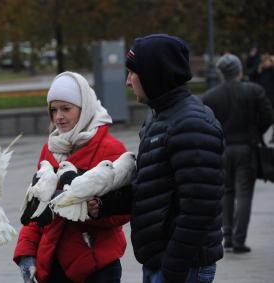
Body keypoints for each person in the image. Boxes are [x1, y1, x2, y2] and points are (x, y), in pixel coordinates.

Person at [89, 34, 225, 283]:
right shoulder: (160, 118)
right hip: (162, 263)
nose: (128, 82)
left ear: (154, 74)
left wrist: (172, 269)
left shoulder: (191, 123)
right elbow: (151, 190)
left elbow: (199, 208)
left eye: (132, 73)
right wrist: (106, 205)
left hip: (181, 268)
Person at [13, 71, 131, 283]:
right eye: (53, 109)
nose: (58, 116)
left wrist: (96, 209)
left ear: (84, 108)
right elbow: (36, 206)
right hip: (53, 262)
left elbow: (124, 210)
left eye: (66, 109)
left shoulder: (111, 149)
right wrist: (26, 251)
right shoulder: (49, 149)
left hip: (97, 266)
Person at [202, 54, 273, 253]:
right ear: (239, 70)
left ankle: (228, 237)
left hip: (223, 148)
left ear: (221, 74)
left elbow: (206, 123)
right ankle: (239, 239)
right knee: (244, 194)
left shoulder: (210, 96)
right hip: (246, 148)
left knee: (226, 193)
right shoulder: (254, 91)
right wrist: (256, 132)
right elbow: (268, 116)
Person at [254, 54, 274, 142]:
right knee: (261, 119)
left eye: (267, 61)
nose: (265, 63)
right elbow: (251, 77)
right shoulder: (260, 71)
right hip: (261, 98)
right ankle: (260, 136)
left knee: (271, 118)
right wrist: (258, 70)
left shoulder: (272, 70)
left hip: (272, 98)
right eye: (264, 61)